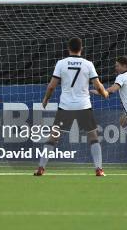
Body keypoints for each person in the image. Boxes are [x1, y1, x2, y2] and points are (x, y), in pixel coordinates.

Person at [35, 37, 109, 176]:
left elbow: (51, 86)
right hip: (83, 106)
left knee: (53, 137)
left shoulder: (61, 63)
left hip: (66, 107)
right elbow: (97, 85)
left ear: (68, 48)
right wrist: (104, 93)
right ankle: (99, 169)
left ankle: (41, 168)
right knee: (93, 137)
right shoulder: (88, 64)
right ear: (81, 48)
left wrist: (46, 98)